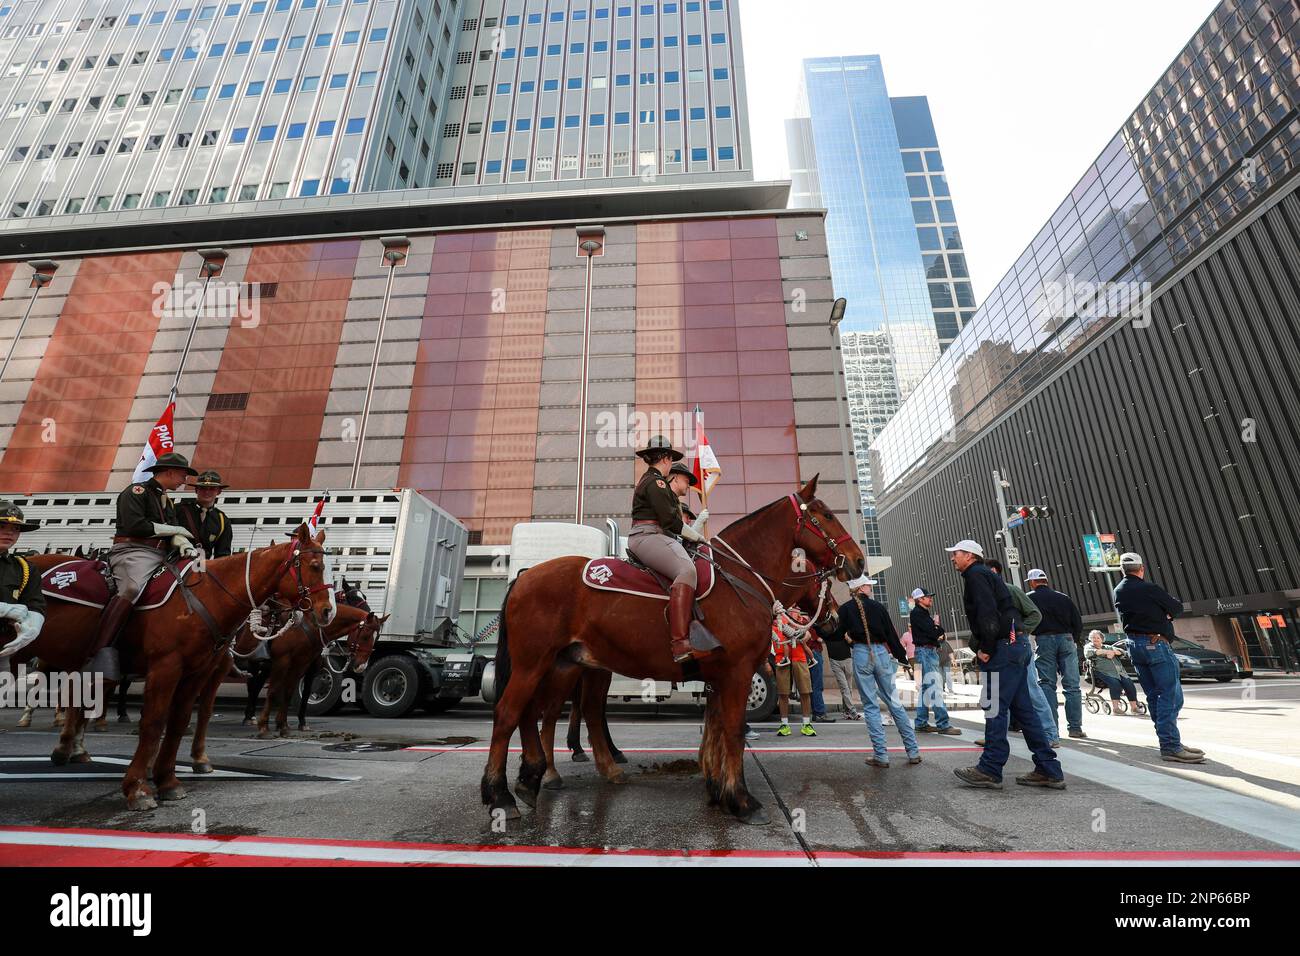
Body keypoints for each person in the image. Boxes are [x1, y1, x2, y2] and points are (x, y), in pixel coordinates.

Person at [947, 540, 1064, 791]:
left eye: (955, 554)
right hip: (1016, 646)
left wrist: (987, 648)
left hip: (1003, 648)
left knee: (994, 707)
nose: (952, 558)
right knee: (1025, 712)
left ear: (969, 555)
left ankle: (990, 768)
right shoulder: (985, 575)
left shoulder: (976, 575)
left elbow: (987, 613)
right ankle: (1048, 768)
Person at [90, 452, 201, 679]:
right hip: (134, 552)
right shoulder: (136, 492)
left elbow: (171, 528)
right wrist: (177, 531)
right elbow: (135, 524)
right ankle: (99, 650)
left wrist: (183, 543)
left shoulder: (166, 499)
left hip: (161, 554)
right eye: (182, 475)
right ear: (169, 472)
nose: (184, 480)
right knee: (132, 588)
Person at [1113, 552, 1204, 763]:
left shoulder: (1118, 590)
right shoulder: (1149, 588)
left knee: (1154, 695)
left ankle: (1169, 741)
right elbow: (1177, 607)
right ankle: (1170, 745)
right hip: (1156, 644)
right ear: (1141, 568)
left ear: (1122, 570)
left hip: (1134, 645)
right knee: (1171, 696)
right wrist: (1165, 614)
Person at [626, 435, 710, 663]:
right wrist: (698, 536)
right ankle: (680, 642)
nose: (671, 464)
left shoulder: (654, 482)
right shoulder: (656, 483)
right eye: (670, 460)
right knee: (687, 571)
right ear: (664, 459)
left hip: (655, 536)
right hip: (647, 536)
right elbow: (671, 522)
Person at [831, 574, 921, 767]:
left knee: (870, 706)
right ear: (861, 588)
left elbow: (837, 635)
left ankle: (881, 755)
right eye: (868, 586)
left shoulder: (846, 609)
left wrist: (821, 630)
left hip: (861, 653)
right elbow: (891, 635)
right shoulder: (878, 607)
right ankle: (913, 751)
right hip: (881, 653)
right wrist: (901, 657)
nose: (870, 589)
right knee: (894, 702)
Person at [986, 558, 1060, 747]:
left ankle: (1050, 734)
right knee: (994, 695)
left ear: (993, 571)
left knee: (1031, 691)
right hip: (996, 649)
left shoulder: (1010, 590)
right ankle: (993, 737)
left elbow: (1035, 614)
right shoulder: (984, 594)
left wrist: (1019, 633)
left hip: (1016, 648)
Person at [1025, 568, 1086, 740]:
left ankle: (1052, 729)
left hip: (1044, 640)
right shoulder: (1063, 597)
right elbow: (1077, 622)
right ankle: (1075, 728)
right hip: (1066, 639)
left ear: (1032, 582)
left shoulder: (1030, 597)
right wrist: (1073, 639)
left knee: (1046, 684)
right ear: (1046, 580)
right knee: (1072, 684)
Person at [910, 586, 959, 735]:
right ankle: (943, 724)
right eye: (928, 596)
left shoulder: (921, 613)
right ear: (920, 599)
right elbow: (933, 631)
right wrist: (938, 629)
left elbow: (934, 631)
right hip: (926, 651)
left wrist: (937, 630)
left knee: (926, 689)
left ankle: (921, 722)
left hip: (926, 651)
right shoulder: (919, 613)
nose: (931, 598)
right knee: (935, 688)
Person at [0, 501, 46, 659]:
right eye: (2, 527)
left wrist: (33, 626)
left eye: (15, 529)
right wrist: (5, 609)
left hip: (3, 649)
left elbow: (35, 603)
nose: (9, 533)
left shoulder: (24, 568)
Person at [772, 606, 817, 737]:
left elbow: (807, 635)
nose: (793, 611)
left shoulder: (801, 620)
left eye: (796, 609)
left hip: (800, 657)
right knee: (783, 693)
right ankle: (784, 724)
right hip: (781, 657)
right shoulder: (776, 618)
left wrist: (802, 632)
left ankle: (806, 723)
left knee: (805, 691)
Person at [177, 470, 234, 559]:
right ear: (196, 490)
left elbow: (223, 555)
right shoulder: (179, 510)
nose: (207, 492)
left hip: (201, 567)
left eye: (212, 488)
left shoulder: (222, 520)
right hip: (177, 563)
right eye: (203, 488)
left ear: (219, 492)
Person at [1085, 630, 1142, 713]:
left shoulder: (1108, 647)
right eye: (1093, 638)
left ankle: (1134, 707)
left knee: (1129, 684)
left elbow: (1123, 652)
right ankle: (1116, 708)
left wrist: (1114, 652)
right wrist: (1107, 652)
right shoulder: (1088, 647)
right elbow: (1092, 652)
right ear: (1090, 639)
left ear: (1102, 639)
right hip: (1101, 671)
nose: (1096, 639)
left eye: (1098, 638)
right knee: (1115, 683)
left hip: (1119, 671)